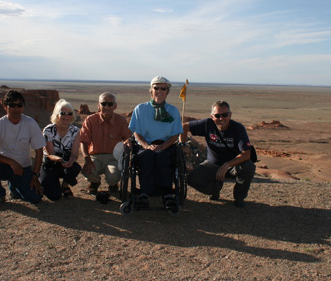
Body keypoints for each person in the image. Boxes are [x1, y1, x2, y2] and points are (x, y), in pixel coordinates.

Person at [180, 100, 256, 207]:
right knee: (192, 179)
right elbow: (184, 127)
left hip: (233, 165)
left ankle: (239, 197)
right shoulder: (207, 124)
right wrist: (182, 144)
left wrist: (227, 165)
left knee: (248, 167)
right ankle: (215, 188)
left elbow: (246, 154)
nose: (221, 118)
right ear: (212, 116)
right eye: (217, 115)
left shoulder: (238, 128)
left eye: (225, 115)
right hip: (212, 164)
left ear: (230, 115)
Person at [0, 90, 45, 208]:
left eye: (19, 105)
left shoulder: (30, 123)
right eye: (12, 105)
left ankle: (14, 188)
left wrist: (35, 175)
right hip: (4, 167)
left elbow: (39, 151)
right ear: (5, 106)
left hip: (23, 168)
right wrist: (11, 162)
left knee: (35, 198)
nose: (16, 109)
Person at [129, 76, 183, 210]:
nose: (159, 91)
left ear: (167, 91)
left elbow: (175, 134)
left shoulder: (173, 111)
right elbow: (136, 132)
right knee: (147, 156)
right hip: (145, 145)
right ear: (151, 90)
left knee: (162, 156)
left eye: (163, 88)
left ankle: (166, 193)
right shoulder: (140, 109)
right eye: (156, 88)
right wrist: (147, 146)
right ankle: (145, 193)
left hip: (166, 145)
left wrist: (162, 146)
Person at [80, 92, 132, 195]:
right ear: (98, 105)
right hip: (95, 156)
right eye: (103, 104)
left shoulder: (121, 121)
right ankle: (94, 183)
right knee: (88, 170)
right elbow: (84, 141)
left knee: (114, 175)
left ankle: (113, 184)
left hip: (113, 157)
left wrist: (127, 143)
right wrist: (87, 159)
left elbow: (127, 137)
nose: (107, 106)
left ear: (115, 106)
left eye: (110, 104)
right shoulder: (90, 120)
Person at [40, 99, 82, 201]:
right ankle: (43, 179)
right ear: (57, 115)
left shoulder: (75, 131)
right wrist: (60, 160)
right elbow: (50, 154)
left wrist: (71, 160)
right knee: (55, 196)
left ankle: (65, 185)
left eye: (69, 113)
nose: (66, 116)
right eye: (63, 113)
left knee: (75, 167)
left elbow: (74, 154)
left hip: (65, 163)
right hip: (50, 164)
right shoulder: (48, 130)